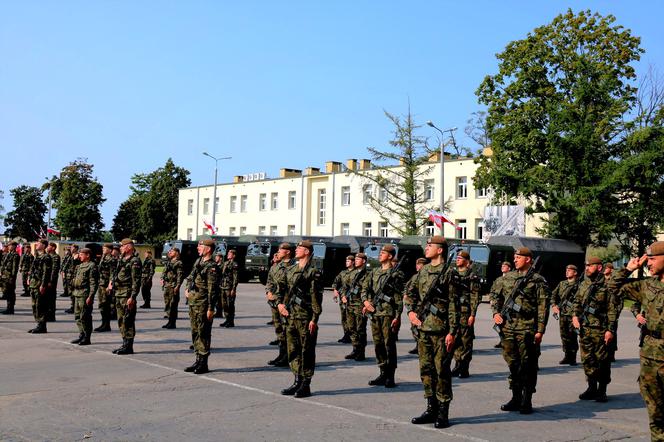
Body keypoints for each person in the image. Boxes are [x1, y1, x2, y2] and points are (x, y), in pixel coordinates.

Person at [608, 241, 664, 441]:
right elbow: (612, 287)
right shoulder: (647, 285)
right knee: (655, 410)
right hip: (650, 354)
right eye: (646, 259)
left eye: (652, 258)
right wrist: (629, 268)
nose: (648, 263)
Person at [404, 236, 458, 429]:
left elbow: (455, 304)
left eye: (430, 246)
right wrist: (410, 312)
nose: (426, 249)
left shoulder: (450, 273)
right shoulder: (424, 270)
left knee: (441, 371)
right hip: (423, 329)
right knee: (426, 370)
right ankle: (430, 407)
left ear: (440, 250)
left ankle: (443, 411)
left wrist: (452, 332)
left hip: (442, 331)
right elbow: (409, 291)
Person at [491, 247, 549, 415]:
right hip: (508, 328)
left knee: (528, 365)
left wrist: (540, 330)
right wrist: (495, 313)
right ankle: (515, 397)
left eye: (518, 257)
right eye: (514, 257)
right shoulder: (507, 278)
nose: (515, 260)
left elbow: (542, 306)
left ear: (528, 259)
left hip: (527, 328)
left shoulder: (537, 280)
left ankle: (527, 399)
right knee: (513, 364)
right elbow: (495, 295)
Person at [277, 240, 323, 398]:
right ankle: (297, 380)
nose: (296, 250)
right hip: (290, 316)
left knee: (307, 351)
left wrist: (314, 319)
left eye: (300, 248)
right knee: (293, 350)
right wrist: (279, 304)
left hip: (305, 317)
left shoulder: (313, 272)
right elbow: (280, 289)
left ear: (307, 252)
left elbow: (316, 297)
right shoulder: (290, 270)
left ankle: (306, 384)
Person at [572, 256, 617, 402]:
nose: (586, 268)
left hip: (601, 329)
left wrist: (610, 330)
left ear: (599, 267)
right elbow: (577, 301)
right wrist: (574, 316)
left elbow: (612, 310)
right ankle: (591, 388)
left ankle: (602, 390)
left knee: (602, 360)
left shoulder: (607, 285)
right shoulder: (584, 284)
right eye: (586, 266)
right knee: (587, 359)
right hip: (585, 328)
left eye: (590, 266)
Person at [362, 244, 405, 388]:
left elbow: (399, 297)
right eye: (380, 252)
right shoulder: (374, 272)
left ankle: (390, 375)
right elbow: (365, 289)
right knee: (378, 344)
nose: (380, 254)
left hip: (388, 313)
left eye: (383, 253)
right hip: (375, 313)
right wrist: (366, 302)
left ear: (390, 256)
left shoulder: (396, 274)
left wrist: (397, 316)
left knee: (389, 345)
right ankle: (382, 372)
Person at [183, 239, 219, 374]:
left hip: (203, 304)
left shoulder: (212, 267)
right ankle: (197, 359)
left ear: (208, 249)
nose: (198, 247)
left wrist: (211, 308)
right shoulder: (199, 261)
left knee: (203, 333)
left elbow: (212, 290)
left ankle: (203, 363)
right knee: (195, 332)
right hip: (194, 302)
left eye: (201, 246)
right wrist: (187, 288)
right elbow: (190, 277)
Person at [450, 250, 481, 379]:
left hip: (465, 311)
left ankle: (464, 367)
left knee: (465, 340)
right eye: (457, 257)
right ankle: (457, 364)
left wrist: (472, 314)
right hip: (454, 311)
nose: (457, 259)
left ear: (467, 261)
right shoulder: (453, 273)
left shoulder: (471, 275)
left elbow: (475, 296)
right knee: (455, 339)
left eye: (460, 258)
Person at [109, 238, 142, 355]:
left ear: (128, 247)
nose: (120, 248)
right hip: (119, 293)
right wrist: (111, 283)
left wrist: (132, 297)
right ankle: (124, 343)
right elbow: (116, 273)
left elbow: (136, 281)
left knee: (128, 320)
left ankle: (129, 346)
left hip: (127, 294)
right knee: (121, 320)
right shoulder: (122, 259)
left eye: (122, 246)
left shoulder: (135, 261)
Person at [266, 243, 293, 367]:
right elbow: (269, 281)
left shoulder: (294, 266)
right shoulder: (276, 267)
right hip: (275, 303)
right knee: (279, 329)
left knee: (288, 330)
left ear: (287, 252)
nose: (278, 252)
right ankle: (282, 354)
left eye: (281, 250)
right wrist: (269, 292)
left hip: (287, 304)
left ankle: (289, 356)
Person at [551, 264, 580, 365]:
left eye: (570, 270)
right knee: (564, 336)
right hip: (563, 314)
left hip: (573, 315)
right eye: (566, 270)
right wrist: (554, 305)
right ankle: (567, 356)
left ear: (575, 272)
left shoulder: (579, 285)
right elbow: (553, 295)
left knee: (573, 336)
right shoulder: (562, 284)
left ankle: (573, 357)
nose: (567, 271)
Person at [342, 253, 369, 362]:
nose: (356, 260)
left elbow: (369, 290)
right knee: (351, 328)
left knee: (360, 329)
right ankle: (355, 348)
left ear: (364, 261)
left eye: (358, 259)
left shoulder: (367, 274)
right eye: (356, 258)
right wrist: (343, 295)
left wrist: (367, 303)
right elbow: (345, 286)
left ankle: (361, 351)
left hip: (360, 305)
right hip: (350, 304)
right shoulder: (351, 274)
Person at [70, 248, 99, 345]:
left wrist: (91, 296)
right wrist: (73, 260)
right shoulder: (79, 266)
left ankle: (87, 337)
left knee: (85, 316)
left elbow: (93, 283)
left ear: (88, 255)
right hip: (77, 293)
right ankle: (81, 334)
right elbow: (71, 273)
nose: (80, 256)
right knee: (77, 316)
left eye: (81, 254)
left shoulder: (92, 266)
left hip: (85, 294)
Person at [28, 239, 52, 333]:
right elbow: (33, 269)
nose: (36, 245)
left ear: (43, 245)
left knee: (40, 305)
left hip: (39, 284)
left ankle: (42, 326)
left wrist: (43, 285)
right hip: (34, 283)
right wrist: (29, 278)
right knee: (34, 305)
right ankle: (38, 324)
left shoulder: (46, 257)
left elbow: (46, 273)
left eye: (38, 243)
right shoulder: (38, 256)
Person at [332, 255, 355, 344]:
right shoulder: (343, 273)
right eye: (346, 261)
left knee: (351, 319)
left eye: (348, 261)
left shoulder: (357, 273)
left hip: (352, 301)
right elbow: (336, 282)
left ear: (353, 262)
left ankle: (352, 335)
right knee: (344, 318)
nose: (346, 262)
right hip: (343, 299)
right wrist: (335, 290)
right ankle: (346, 334)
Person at [491, 261, 513, 348]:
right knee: (498, 324)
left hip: (507, 306)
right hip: (498, 306)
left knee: (507, 324)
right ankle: (502, 340)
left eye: (505, 266)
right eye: (502, 266)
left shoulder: (512, 279)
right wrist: (491, 299)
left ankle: (506, 341)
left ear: (509, 268)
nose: (502, 267)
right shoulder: (498, 280)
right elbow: (492, 291)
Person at [161, 247, 184, 329]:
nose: (170, 252)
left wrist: (178, 286)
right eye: (169, 251)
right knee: (167, 303)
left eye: (172, 251)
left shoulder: (178, 263)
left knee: (173, 305)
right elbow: (165, 271)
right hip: (167, 285)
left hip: (173, 286)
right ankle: (169, 321)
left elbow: (180, 276)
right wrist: (162, 279)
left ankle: (172, 323)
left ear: (177, 253)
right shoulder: (169, 261)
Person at [94, 244, 115, 332]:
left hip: (106, 285)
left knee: (106, 305)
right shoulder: (103, 257)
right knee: (102, 305)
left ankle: (106, 325)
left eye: (105, 248)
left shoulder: (112, 259)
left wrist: (110, 285)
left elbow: (113, 273)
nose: (103, 249)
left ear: (110, 250)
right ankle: (104, 324)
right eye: (103, 248)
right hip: (101, 284)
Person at [219, 249, 239, 327]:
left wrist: (233, 289)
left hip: (229, 287)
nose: (228, 255)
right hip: (223, 286)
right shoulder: (225, 263)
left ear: (233, 255)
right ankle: (227, 319)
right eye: (228, 253)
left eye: (229, 254)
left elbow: (235, 277)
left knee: (230, 304)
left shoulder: (234, 264)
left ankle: (231, 321)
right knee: (224, 305)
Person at [0, 241, 20, 314]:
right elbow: (3, 265)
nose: (8, 246)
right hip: (5, 276)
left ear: (14, 246)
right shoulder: (8, 254)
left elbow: (15, 268)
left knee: (11, 293)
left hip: (10, 277)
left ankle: (10, 309)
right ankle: (8, 308)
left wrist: (12, 277)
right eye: (8, 245)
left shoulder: (15, 255)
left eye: (10, 245)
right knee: (7, 292)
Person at [48, 242, 64, 318]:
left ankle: (51, 315)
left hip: (51, 280)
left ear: (53, 248)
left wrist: (51, 280)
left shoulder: (55, 257)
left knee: (51, 296)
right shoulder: (48, 256)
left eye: (49, 246)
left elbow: (54, 270)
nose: (48, 247)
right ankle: (48, 313)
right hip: (46, 279)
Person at [213, 252, 224, 318]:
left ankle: (219, 313)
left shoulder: (222, 265)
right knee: (216, 299)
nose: (215, 258)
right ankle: (217, 312)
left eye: (217, 257)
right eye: (215, 257)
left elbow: (221, 272)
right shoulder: (215, 265)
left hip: (220, 284)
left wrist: (215, 270)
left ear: (220, 258)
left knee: (219, 299)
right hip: (215, 283)